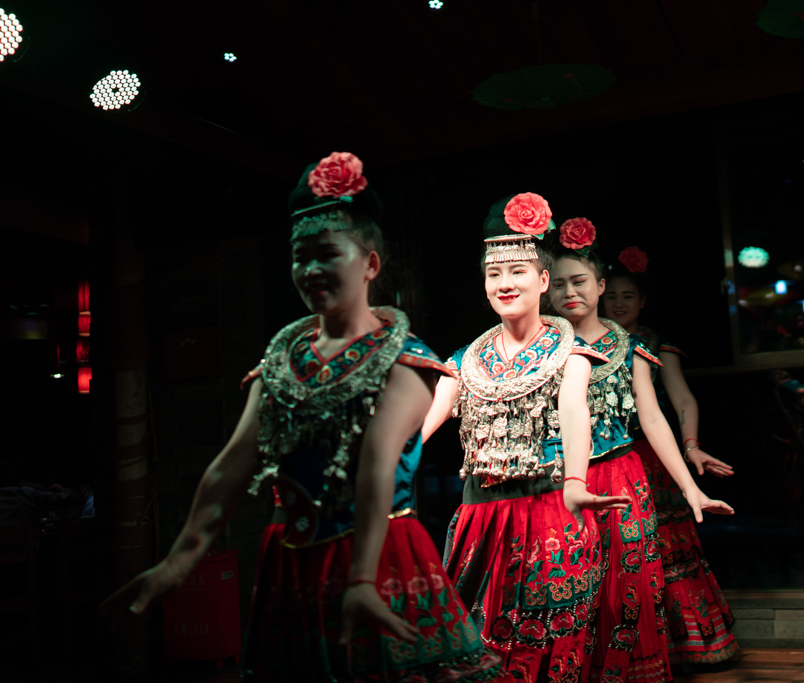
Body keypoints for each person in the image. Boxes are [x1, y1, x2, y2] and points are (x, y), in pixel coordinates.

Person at [102, 152, 504, 682]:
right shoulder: (279, 365)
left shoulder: (406, 363)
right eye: (300, 257)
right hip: (291, 557)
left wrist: (361, 580)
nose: (311, 270)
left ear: (370, 264)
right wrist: (178, 561)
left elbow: (376, 465)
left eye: (327, 254)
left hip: (379, 554)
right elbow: (231, 466)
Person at [422, 193, 629, 683]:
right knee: (477, 647)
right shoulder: (464, 361)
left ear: (542, 280)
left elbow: (574, 411)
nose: (505, 284)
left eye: (517, 271)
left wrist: (575, 481)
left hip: (550, 512)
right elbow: (424, 423)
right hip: (480, 520)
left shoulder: (572, 355)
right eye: (494, 274)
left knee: (547, 648)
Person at [603, 250, 739, 666]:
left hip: (652, 458)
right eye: (612, 296)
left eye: (628, 296)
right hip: (604, 460)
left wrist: (691, 445)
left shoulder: (656, 346)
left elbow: (682, 399)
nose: (619, 303)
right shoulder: (584, 345)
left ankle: (687, 644)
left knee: (667, 546)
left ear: (643, 301)